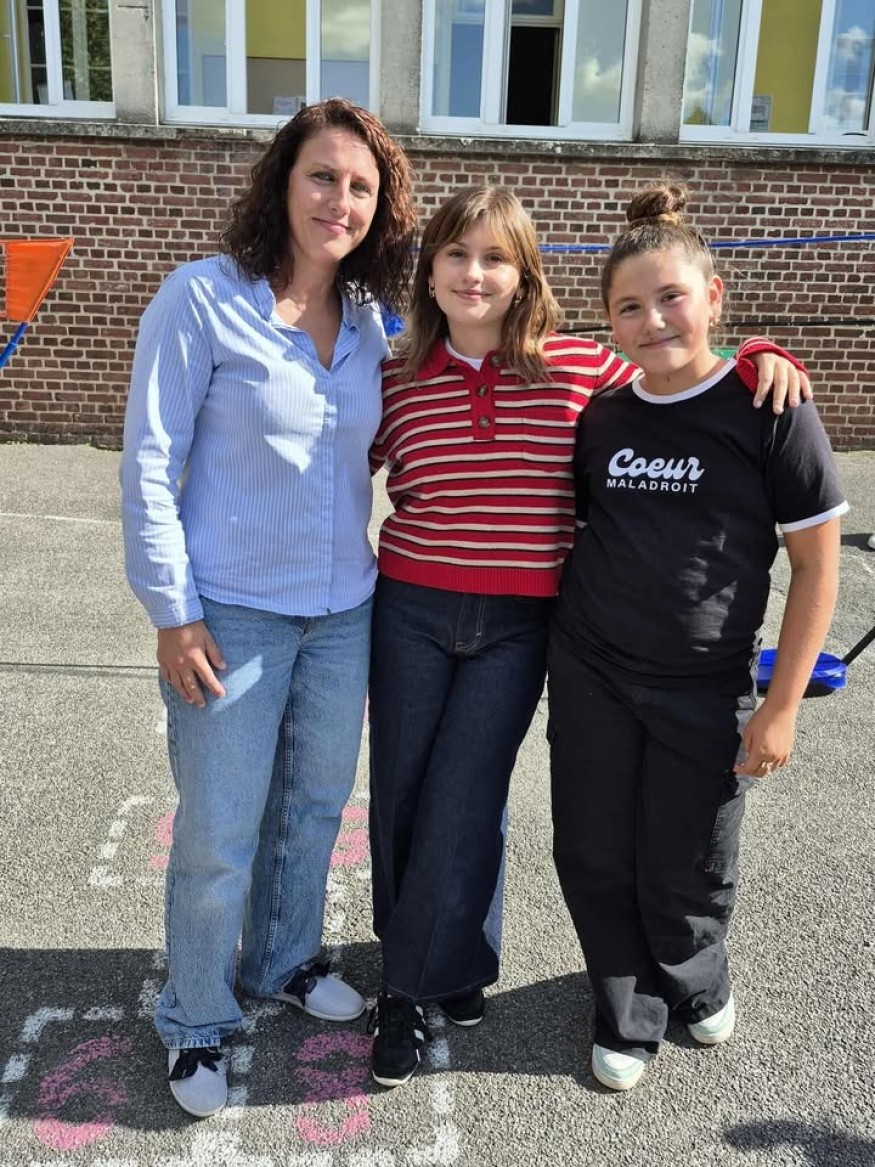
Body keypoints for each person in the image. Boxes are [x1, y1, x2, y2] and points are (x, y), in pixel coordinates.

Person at [365, 183, 811, 1089]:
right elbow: (328, 452)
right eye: (455, 254)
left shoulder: (577, 368)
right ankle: (430, 972)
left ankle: (420, 977)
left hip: (521, 620)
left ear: (525, 275)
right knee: (403, 796)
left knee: (465, 795)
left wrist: (757, 354)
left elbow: (675, 374)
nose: (474, 273)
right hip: (409, 606)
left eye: (495, 257)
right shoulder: (393, 372)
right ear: (430, 270)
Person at [120, 98, 416, 1119]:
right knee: (219, 827)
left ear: (378, 210)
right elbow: (149, 460)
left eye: (360, 187)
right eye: (322, 176)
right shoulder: (202, 298)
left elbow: (503, 347)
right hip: (230, 614)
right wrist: (173, 611)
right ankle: (196, 1014)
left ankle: (282, 958)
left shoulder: (372, 322)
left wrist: (740, 363)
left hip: (341, 614)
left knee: (313, 806)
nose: (340, 200)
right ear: (282, 183)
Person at [548, 182, 847, 1092]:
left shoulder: (769, 407)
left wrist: (780, 707)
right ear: (607, 322)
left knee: (690, 852)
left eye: (670, 297)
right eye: (627, 308)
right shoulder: (602, 416)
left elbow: (816, 568)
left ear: (713, 297)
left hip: (705, 682)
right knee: (594, 846)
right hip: (593, 670)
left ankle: (692, 975)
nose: (651, 321)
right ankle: (624, 1006)